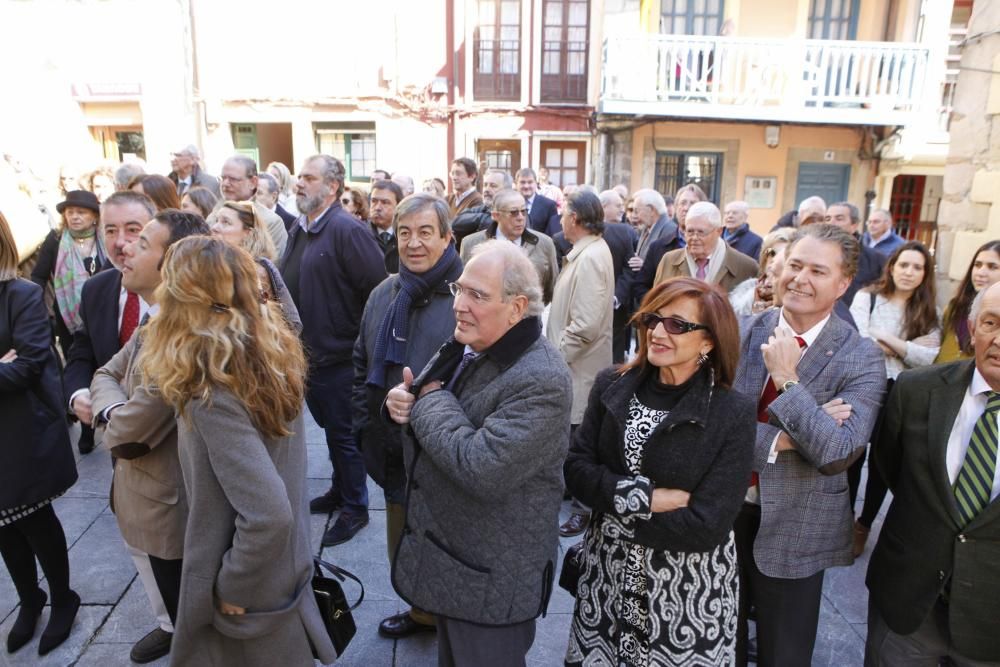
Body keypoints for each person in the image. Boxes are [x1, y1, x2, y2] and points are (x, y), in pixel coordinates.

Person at [136, 236, 336, 666]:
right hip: (284, 571)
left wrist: (232, 588)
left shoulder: (211, 390)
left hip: (251, 595)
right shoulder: (269, 352)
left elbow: (268, 513)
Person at [385, 239, 572, 667]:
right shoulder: (473, 341)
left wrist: (427, 401)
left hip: (492, 582)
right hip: (457, 563)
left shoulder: (541, 377)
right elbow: (432, 408)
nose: (459, 305)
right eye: (460, 289)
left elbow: (481, 466)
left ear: (516, 306)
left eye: (478, 295)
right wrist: (401, 403)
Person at [564, 277, 755, 666]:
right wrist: (644, 498)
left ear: (709, 341)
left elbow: (709, 523)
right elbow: (576, 471)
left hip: (683, 594)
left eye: (678, 325)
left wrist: (612, 510)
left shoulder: (731, 412)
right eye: (654, 318)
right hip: (607, 580)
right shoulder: (611, 384)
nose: (658, 332)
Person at [732, 223, 886, 666]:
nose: (800, 278)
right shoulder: (740, 331)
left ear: (842, 283)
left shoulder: (861, 356)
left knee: (785, 655)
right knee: (720, 646)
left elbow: (838, 453)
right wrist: (786, 439)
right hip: (723, 513)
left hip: (799, 527)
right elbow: (703, 429)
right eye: (794, 264)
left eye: (818, 271)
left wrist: (786, 379)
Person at [89, 209, 212, 665]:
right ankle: (169, 628)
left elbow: (125, 431)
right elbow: (106, 371)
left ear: (173, 262)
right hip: (140, 496)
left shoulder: (183, 334)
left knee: (191, 623)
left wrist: (103, 410)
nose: (124, 250)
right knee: (161, 592)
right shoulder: (154, 318)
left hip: (169, 512)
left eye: (141, 243)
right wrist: (113, 402)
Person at [865, 280, 1000, 666]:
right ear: (972, 330)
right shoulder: (916, 390)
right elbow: (890, 469)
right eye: (991, 323)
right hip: (908, 605)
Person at [352, 193, 462, 640]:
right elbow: (362, 364)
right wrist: (371, 422)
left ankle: (451, 618)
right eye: (404, 233)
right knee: (404, 538)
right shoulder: (385, 293)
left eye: (425, 233)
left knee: (450, 544)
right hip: (393, 449)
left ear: (447, 237)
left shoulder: (465, 294)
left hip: (447, 454)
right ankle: (420, 612)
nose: (413, 244)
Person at [281, 154, 387, 545]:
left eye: (308, 178)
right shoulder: (300, 227)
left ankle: (356, 507)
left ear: (332, 187)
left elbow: (376, 294)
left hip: (341, 358)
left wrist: (361, 350)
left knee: (345, 434)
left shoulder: (347, 230)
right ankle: (340, 490)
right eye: (299, 177)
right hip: (309, 357)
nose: (299, 183)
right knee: (330, 431)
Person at [0, 210, 80, 657]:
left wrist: (8, 368)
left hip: (20, 431)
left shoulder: (21, 294)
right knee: (3, 527)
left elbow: (29, 366)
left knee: (31, 519)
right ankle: (30, 598)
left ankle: (63, 596)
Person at [850, 242, 941, 557]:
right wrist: (907, 347)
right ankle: (841, 518)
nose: (909, 272)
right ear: (892, 266)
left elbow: (929, 358)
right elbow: (860, 342)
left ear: (925, 274)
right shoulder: (868, 297)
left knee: (882, 461)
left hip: (901, 393)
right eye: (904, 265)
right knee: (852, 454)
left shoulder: (929, 312)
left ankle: (863, 524)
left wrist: (886, 338)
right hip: (864, 385)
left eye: (917, 267)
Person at [65, 191, 156, 456]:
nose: (120, 242)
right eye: (111, 231)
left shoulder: (177, 291)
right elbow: (82, 350)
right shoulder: (96, 288)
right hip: (119, 442)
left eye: (133, 230)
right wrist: (78, 393)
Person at [547, 190, 615, 538]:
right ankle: (575, 496)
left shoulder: (589, 257)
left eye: (564, 214)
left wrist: (554, 358)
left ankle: (582, 508)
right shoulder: (587, 253)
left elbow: (585, 325)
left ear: (575, 219)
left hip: (579, 369)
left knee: (581, 443)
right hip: (577, 366)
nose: (560, 219)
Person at [30, 189, 109, 357]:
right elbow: (38, 276)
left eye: (81, 212)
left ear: (95, 216)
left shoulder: (106, 238)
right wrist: (38, 309)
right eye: (70, 212)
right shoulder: (56, 239)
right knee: (75, 359)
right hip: (67, 317)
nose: (74, 216)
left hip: (104, 311)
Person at [209, 201, 300, 331]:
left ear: (248, 232)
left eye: (226, 222)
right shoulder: (215, 263)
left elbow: (256, 325)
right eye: (216, 220)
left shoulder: (256, 272)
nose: (215, 227)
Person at [460, 188, 559, 304]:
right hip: (486, 317)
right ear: (496, 216)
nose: (521, 218)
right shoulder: (471, 243)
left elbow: (551, 288)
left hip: (529, 317)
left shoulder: (544, 244)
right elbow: (464, 288)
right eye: (514, 213)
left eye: (523, 211)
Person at [653, 201, 759, 292]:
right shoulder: (669, 261)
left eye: (701, 232)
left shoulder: (746, 267)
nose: (694, 237)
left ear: (718, 231)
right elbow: (656, 303)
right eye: (689, 231)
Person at [936, 240, 1000, 363]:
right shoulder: (954, 307)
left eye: (992, 267)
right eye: (977, 265)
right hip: (940, 378)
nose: (980, 273)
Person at [213, 155, 287, 259]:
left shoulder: (271, 221)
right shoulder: (214, 213)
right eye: (223, 178)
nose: (225, 183)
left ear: (253, 182)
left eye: (233, 179)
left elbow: (270, 265)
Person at [820, 201, 886, 309]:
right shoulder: (812, 256)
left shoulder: (876, 260)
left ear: (854, 225)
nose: (831, 223)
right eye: (827, 219)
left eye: (839, 218)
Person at [729, 229, 795, 317]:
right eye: (772, 253)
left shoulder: (796, 298)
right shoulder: (745, 292)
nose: (775, 260)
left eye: (784, 256)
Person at [451, 168, 509, 249]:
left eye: (493, 186)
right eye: (485, 185)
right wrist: (484, 218)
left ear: (506, 190)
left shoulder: (516, 212)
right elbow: (456, 222)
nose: (487, 189)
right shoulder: (484, 209)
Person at [369, 180, 405, 273]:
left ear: (399, 206)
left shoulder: (406, 235)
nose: (377, 207)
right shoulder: (361, 234)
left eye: (385, 202)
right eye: (374, 201)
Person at [516, 168, 560, 237]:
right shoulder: (508, 204)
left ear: (536, 183)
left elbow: (553, 234)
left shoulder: (549, 205)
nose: (526, 186)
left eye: (530, 182)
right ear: (516, 184)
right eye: (522, 182)